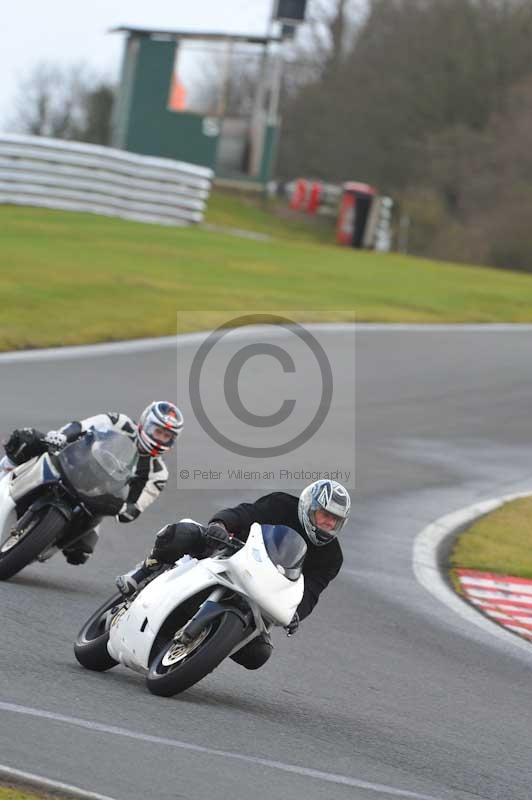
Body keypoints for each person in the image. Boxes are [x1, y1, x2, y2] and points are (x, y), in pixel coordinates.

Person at [116, 479, 350, 669]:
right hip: (232, 552)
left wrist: (296, 613)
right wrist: (221, 525)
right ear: (310, 506)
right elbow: (245, 514)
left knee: (258, 654)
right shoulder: (282, 504)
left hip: (263, 590)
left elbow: (311, 591)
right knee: (184, 533)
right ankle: (144, 571)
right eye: (324, 514)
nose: (328, 523)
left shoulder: (332, 557)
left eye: (334, 520)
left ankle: (201, 648)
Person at [0, 401, 183, 564]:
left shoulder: (158, 472)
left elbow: (136, 505)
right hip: (71, 463)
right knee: (25, 439)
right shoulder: (121, 422)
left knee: (80, 553)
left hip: (95, 498)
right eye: (157, 430)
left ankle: (39, 544)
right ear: (145, 423)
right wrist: (63, 435)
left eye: (166, 436)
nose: (160, 438)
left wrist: (126, 510)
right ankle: (4, 475)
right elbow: (82, 425)